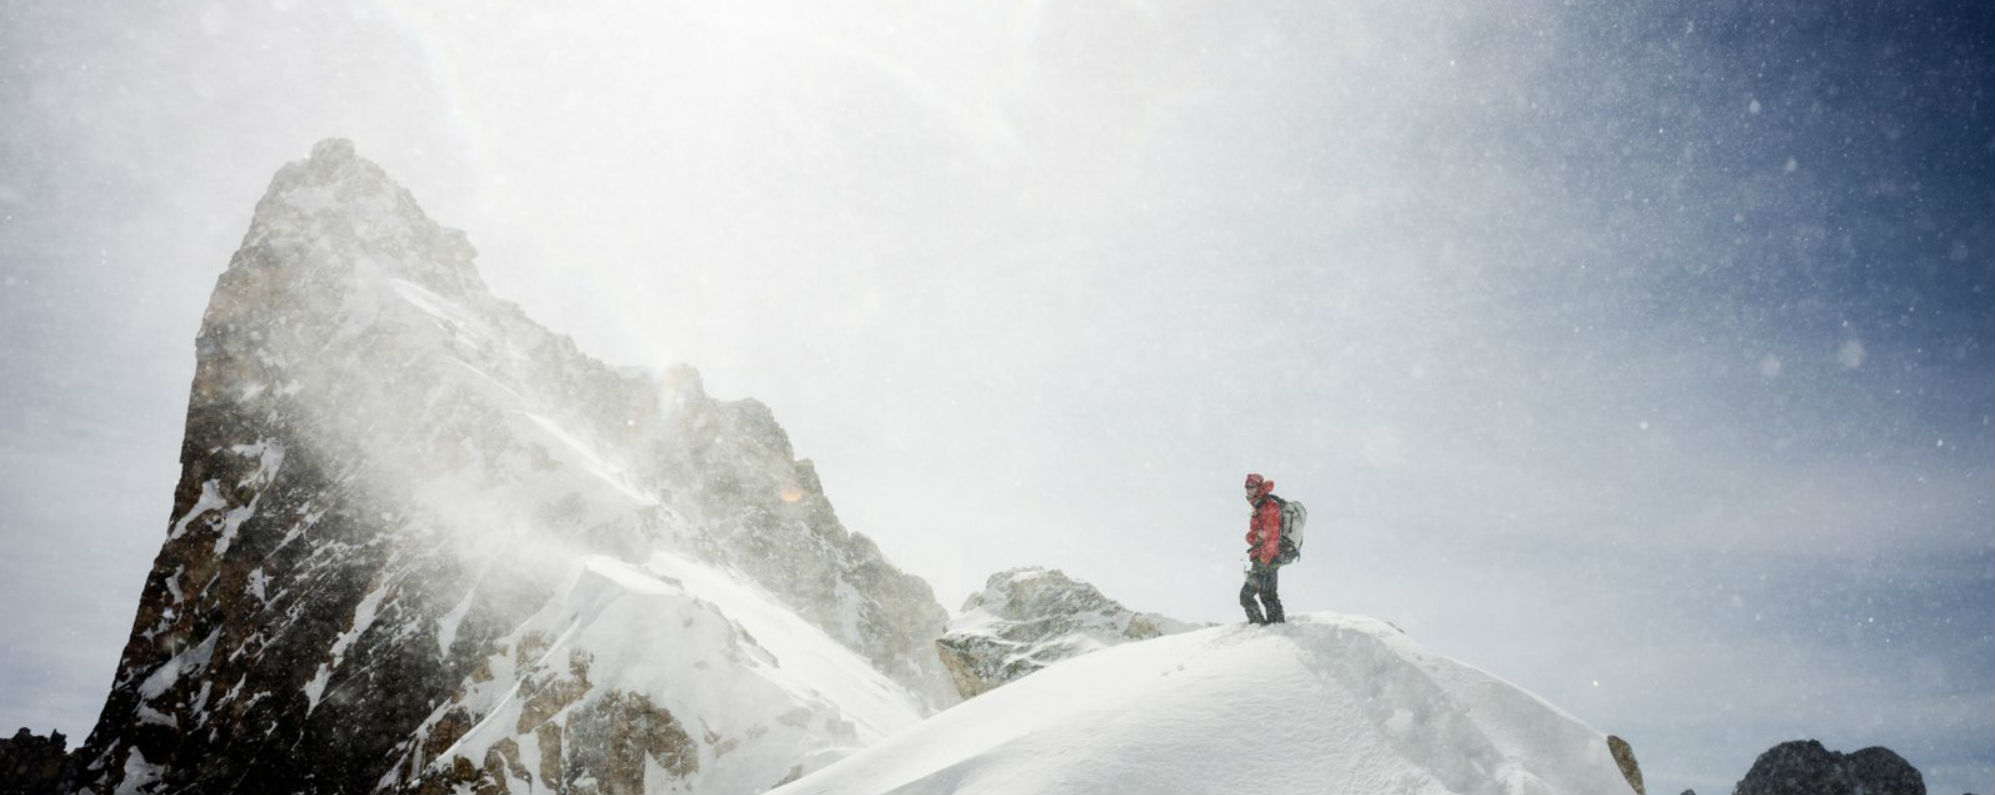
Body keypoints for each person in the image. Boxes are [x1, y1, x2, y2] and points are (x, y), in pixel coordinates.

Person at [1240, 473, 1285, 625]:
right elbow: (1259, 536)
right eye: (1246, 487)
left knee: (1246, 595)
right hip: (1269, 558)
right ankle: (1276, 628)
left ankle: (1259, 629)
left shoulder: (1268, 506)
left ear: (1259, 488)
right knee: (1268, 595)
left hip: (1266, 559)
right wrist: (1252, 536)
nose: (1248, 490)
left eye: (1251, 487)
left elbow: (1272, 538)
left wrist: (1263, 561)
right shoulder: (1260, 506)